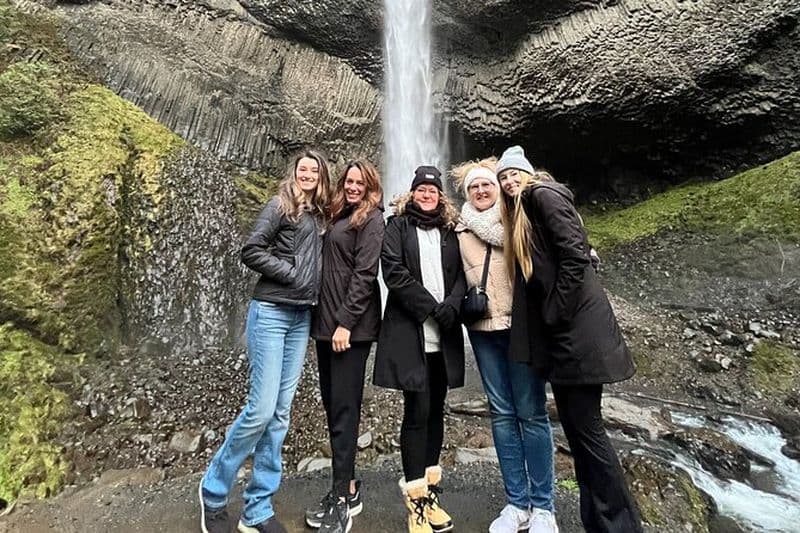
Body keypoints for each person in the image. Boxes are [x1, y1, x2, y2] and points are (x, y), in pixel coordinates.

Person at [496, 145, 643, 533]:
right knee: (580, 435)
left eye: (514, 174)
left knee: (589, 434)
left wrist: (552, 314)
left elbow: (575, 259)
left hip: (576, 336)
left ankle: (620, 526)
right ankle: (597, 521)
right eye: (503, 177)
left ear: (528, 173)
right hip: (567, 340)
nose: (510, 182)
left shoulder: (541, 194)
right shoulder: (525, 212)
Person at [199, 149, 331, 533]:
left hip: (301, 317)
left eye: (315, 169)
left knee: (280, 414)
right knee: (260, 409)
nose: (308, 173)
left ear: (322, 176)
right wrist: (291, 274)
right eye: (302, 168)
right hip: (272, 312)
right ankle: (213, 490)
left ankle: (257, 507)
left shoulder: (320, 216)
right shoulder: (280, 205)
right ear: (294, 173)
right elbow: (251, 249)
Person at [451, 158, 558, 533]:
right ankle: (517, 503)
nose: (481, 191)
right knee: (501, 413)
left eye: (487, 185)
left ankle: (544, 507)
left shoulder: (518, 219)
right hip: (482, 330)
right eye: (473, 188)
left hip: (520, 329)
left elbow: (553, 244)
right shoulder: (459, 228)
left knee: (531, 412)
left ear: (498, 188)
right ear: (466, 194)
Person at [374, 165, 466, 533]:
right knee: (417, 411)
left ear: (440, 196)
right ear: (412, 194)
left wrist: (453, 305)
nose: (426, 196)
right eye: (421, 190)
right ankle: (415, 500)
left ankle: (431, 493)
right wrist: (431, 307)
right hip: (413, 333)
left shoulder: (450, 231)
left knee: (436, 413)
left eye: (432, 191)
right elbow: (392, 272)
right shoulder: (397, 226)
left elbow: (463, 274)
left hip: (443, 336)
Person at [305, 160, 385, 533]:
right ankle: (349, 486)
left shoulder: (371, 220)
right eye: (349, 181)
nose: (353, 186)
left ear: (370, 186)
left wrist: (345, 324)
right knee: (332, 403)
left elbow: (365, 275)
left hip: (348, 330)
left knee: (344, 408)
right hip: (327, 326)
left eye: (360, 182)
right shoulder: (340, 215)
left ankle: (341, 500)